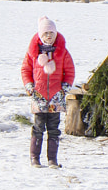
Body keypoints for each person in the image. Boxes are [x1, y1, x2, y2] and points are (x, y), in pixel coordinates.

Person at [21, 16, 75, 168]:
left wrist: (64, 88)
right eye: (46, 33)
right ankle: (34, 158)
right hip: (38, 95)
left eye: (51, 33)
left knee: (53, 129)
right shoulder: (32, 53)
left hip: (56, 96)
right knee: (38, 128)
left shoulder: (62, 52)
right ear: (40, 35)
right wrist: (29, 86)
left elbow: (70, 71)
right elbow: (26, 70)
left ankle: (52, 159)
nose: (49, 36)